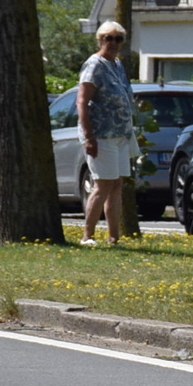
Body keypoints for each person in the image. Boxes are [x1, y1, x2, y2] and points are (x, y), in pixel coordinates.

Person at [76, 22, 137, 245]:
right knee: (102, 185)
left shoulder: (118, 64)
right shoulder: (94, 65)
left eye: (117, 39)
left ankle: (114, 237)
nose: (112, 43)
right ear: (100, 40)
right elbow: (82, 101)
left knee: (117, 185)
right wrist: (89, 136)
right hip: (101, 135)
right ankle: (87, 236)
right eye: (108, 38)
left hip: (121, 134)